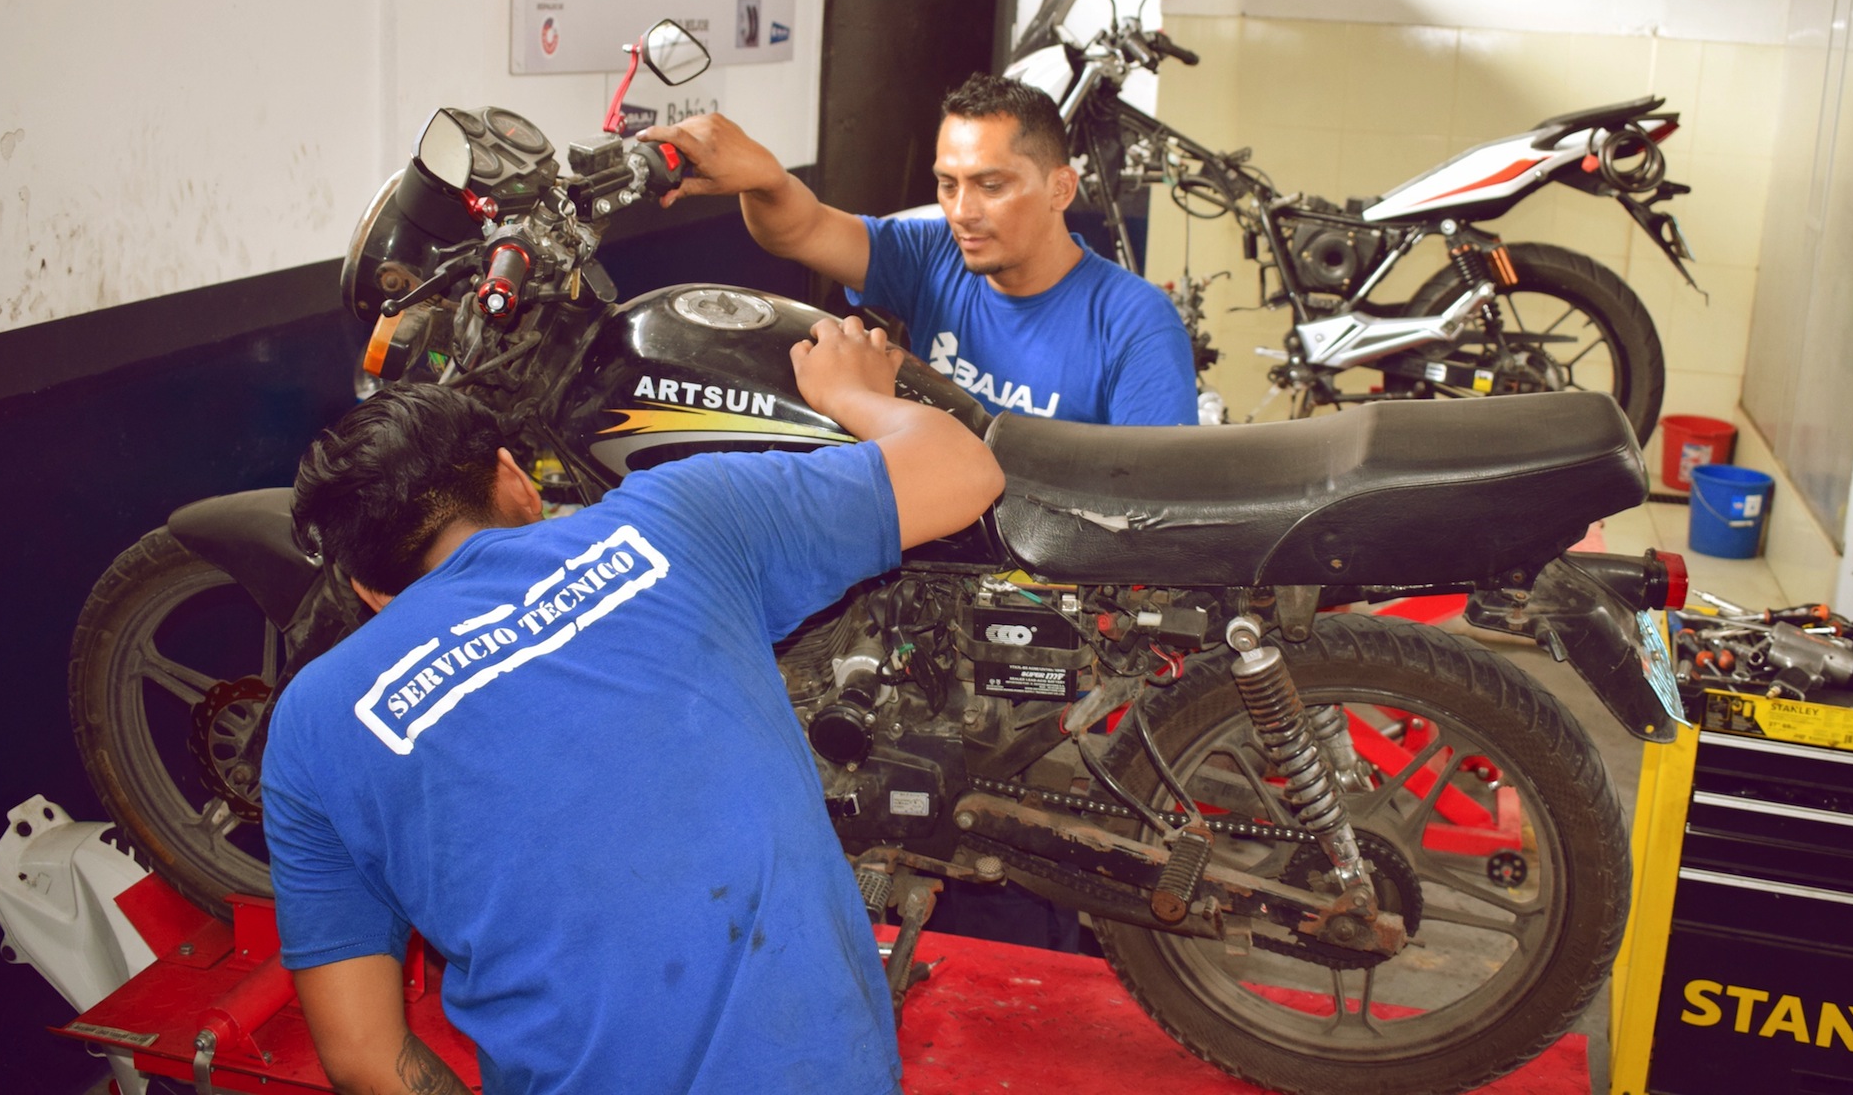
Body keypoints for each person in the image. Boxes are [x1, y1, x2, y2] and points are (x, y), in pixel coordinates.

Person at [262, 316, 1003, 1095]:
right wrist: (853, 393)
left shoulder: (311, 725)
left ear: (369, 592)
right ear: (515, 479)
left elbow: (363, 1056)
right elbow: (964, 470)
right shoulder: (678, 514)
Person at [639, 72, 1198, 427]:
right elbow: (799, 231)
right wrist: (765, 179)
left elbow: (1151, 503)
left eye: (991, 185)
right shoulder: (935, 254)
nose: (962, 211)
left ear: (1061, 188)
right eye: (948, 184)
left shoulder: (1134, 322)